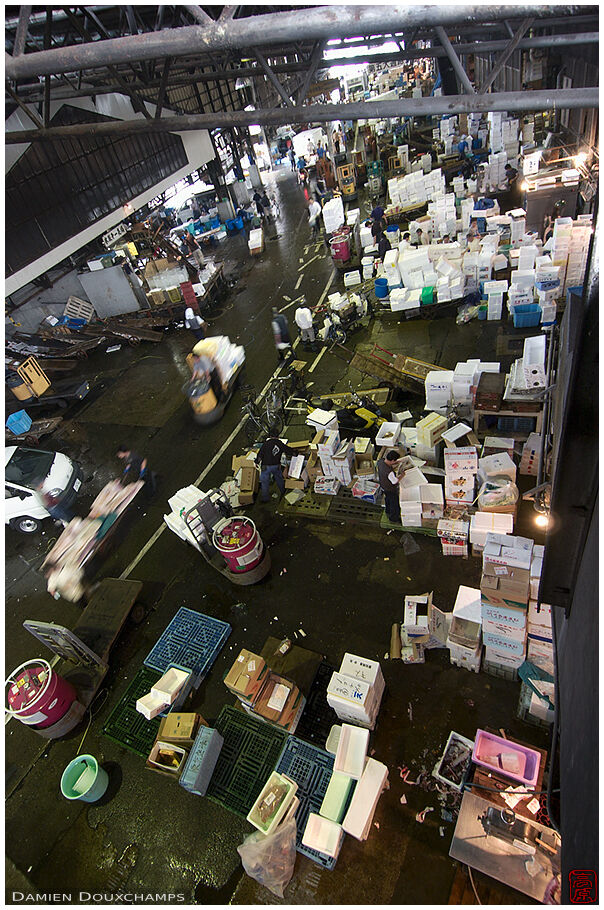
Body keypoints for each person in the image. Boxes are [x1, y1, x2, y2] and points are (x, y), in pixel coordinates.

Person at [258, 431, 296, 503]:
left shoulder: (265, 444)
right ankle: (283, 491)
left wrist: (257, 461)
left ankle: (265, 498)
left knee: (265, 482)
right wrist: (295, 453)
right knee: (279, 479)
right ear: (278, 436)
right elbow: (288, 450)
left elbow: (260, 454)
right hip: (276, 466)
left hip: (265, 466)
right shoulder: (279, 443)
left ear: (270, 436)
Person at [377, 450, 403, 524]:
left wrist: (394, 463)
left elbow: (387, 465)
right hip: (390, 489)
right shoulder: (389, 472)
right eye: (395, 461)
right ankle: (393, 518)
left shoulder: (380, 462)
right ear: (392, 460)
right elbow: (395, 481)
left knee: (387, 499)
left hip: (383, 486)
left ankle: (387, 511)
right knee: (394, 504)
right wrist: (402, 475)